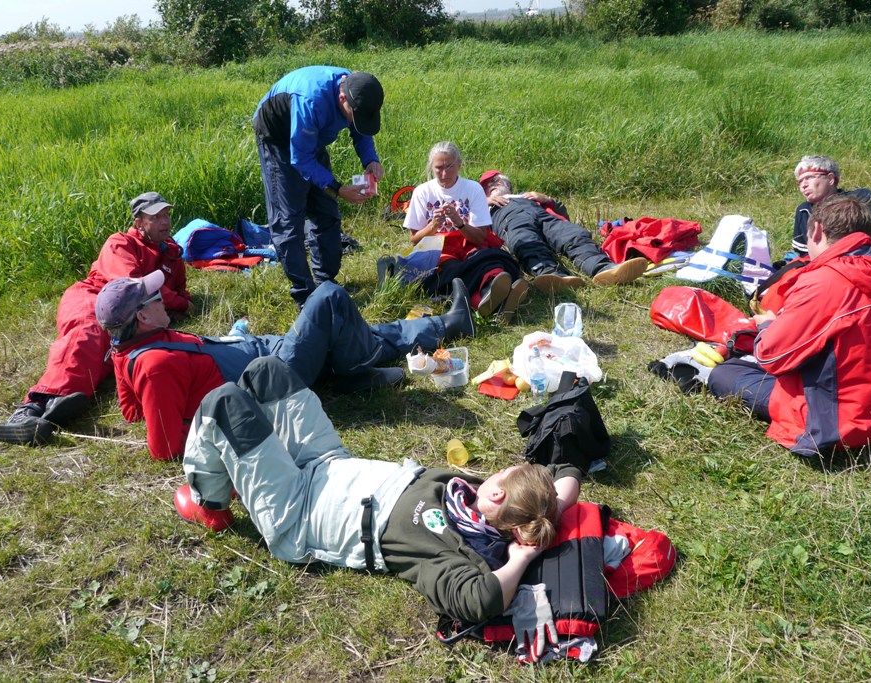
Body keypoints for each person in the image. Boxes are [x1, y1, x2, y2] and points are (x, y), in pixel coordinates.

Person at [175, 354, 583, 629]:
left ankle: (210, 503)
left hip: (297, 511)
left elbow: (483, 600)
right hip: (328, 463)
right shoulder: (478, 500)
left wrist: (522, 556)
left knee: (223, 403)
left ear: (497, 498)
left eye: (501, 474)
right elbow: (566, 477)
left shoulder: (454, 549)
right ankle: (247, 463)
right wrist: (554, 504)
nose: (493, 472)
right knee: (268, 370)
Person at [96, 272, 475, 461]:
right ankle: (355, 372)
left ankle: (446, 325)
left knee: (342, 327)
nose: (164, 299)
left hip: (263, 352)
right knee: (329, 296)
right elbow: (164, 447)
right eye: (155, 297)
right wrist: (191, 413)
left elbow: (131, 411)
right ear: (142, 317)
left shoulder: (128, 349)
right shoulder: (155, 364)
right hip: (272, 378)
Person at [707, 194, 871, 456]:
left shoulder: (825, 280)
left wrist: (769, 325)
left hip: (847, 423)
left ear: (816, 231)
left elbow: (772, 357)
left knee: (726, 373)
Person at [0, 192, 191, 446]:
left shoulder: (172, 254)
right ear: (139, 223)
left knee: (111, 352)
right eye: (156, 217)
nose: (165, 221)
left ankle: (57, 409)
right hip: (95, 296)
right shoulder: (120, 243)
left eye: (166, 215)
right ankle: (32, 408)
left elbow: (179, 293)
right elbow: (132, 287)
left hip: (131, 311)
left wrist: (180, 302)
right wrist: (181, 303)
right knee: (88, 333)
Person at [253, 66, 385, 307]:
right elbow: (300, 159)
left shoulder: (358, 90)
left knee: (326, 211)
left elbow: (361, 128)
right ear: (342, 98)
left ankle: (326, 284)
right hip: (278, 139)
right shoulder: (311, 100)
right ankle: (306, 296)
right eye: (353, 115)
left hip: (308, 141)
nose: (355, 121)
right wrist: (337, 188)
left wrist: (371, 160)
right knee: (288, 221)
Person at [403, 142, 525, 323]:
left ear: (459, 164)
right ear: (431, 167)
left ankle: (490, 295)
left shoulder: (473, 188)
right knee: (453, 270)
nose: (444, 174)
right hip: (439, 248)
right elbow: (415, 240)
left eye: (449, 167)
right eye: (438, 168)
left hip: (470, 243)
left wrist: (460, 223)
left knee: (491, 263)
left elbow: (480, 237)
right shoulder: (422, 192)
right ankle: (493, 300)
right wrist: (433, 226)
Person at [479, 170, 649, 292]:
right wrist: (484, 202)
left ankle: (604, 269)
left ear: (508, 185)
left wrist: (548, 200)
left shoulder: (526, 196)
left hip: (544, 217)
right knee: (525, 241)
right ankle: (552, 275)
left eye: (496, 181)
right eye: (487, 186)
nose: (492, 185)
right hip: (512, 220)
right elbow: (470, 226)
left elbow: (563, 215)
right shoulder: (482, 204)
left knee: (574, 234)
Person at [792, 155, 871, 258]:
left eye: (809, 178)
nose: (803, 185)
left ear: (830, 179)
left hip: (865, 255)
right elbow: (803, 252)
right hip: (826, 266)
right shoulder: (804, 211)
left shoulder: (860, 197)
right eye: (800, 181)